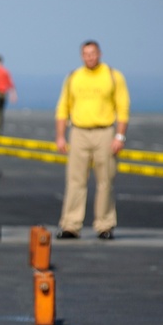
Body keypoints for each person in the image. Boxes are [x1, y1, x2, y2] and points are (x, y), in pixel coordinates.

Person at [54, 40, 130, 241]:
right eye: (86, 54)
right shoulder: (74, 77)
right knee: (75, 180)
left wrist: (119, 136)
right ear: (81, 56)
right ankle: (71, 224)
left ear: (100, 54)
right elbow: (63, 108)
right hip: (78, 131)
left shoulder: (113, 76)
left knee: (106, 180)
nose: (90, 57)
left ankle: (104, 225)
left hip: (104, 131)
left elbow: (123, 108)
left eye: (93, 53)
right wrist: (61, 136)